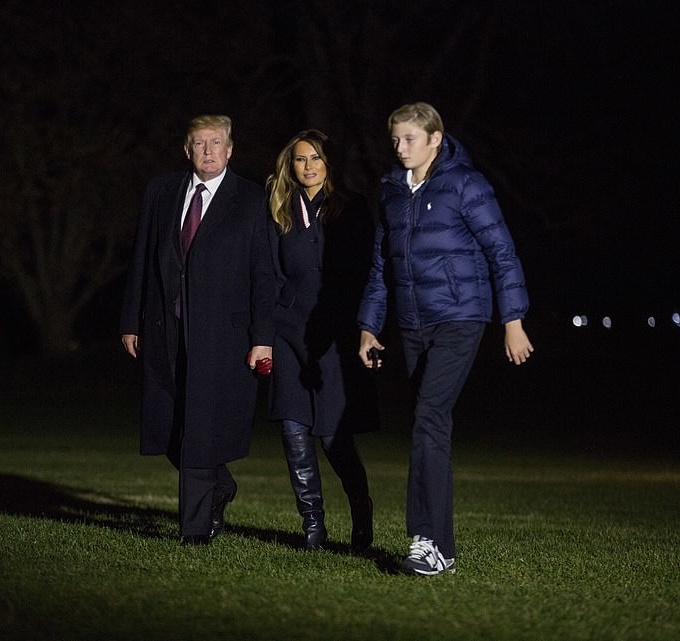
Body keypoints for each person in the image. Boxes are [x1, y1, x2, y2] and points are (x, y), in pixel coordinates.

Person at [357, 102, 534, 575]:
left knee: (428, 419)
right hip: (412, 324)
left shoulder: (465, 184)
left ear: (436, 138)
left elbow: (502, 251)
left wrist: (513, 319)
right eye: (395, 140)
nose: (400, 148)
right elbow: (382, 266)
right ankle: (444, 550)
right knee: (431, 428)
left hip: (461, 317)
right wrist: (369, 326)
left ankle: (426, 541)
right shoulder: (392, 191)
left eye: (410, 139)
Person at [119, 114, 275, 546]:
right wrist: (131, 319)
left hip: (222, 336)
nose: (208, 151)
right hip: (165, 329)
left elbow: (264, 274)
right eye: (200, 143)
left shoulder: (251, 199)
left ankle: (194, 528)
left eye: (216, 142)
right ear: (187, 150)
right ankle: (220, 485)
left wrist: (262, 337)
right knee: (168, 425)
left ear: (230, 149)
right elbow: (142, 257)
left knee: (200, 427)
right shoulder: (162, 192)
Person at [266, 130, 378, 551]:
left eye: (316, 158)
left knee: (333, 435)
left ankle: (361, 514)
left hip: (334, 333)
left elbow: (368, 271)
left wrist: (366, 325)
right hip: (287, 332)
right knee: (293, 429)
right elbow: (269, 273)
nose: (308, 166)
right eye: (300, 159)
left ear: (329, 163)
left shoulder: (352, 207)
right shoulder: (278, 209)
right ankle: (313, 526)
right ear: (290, 165)